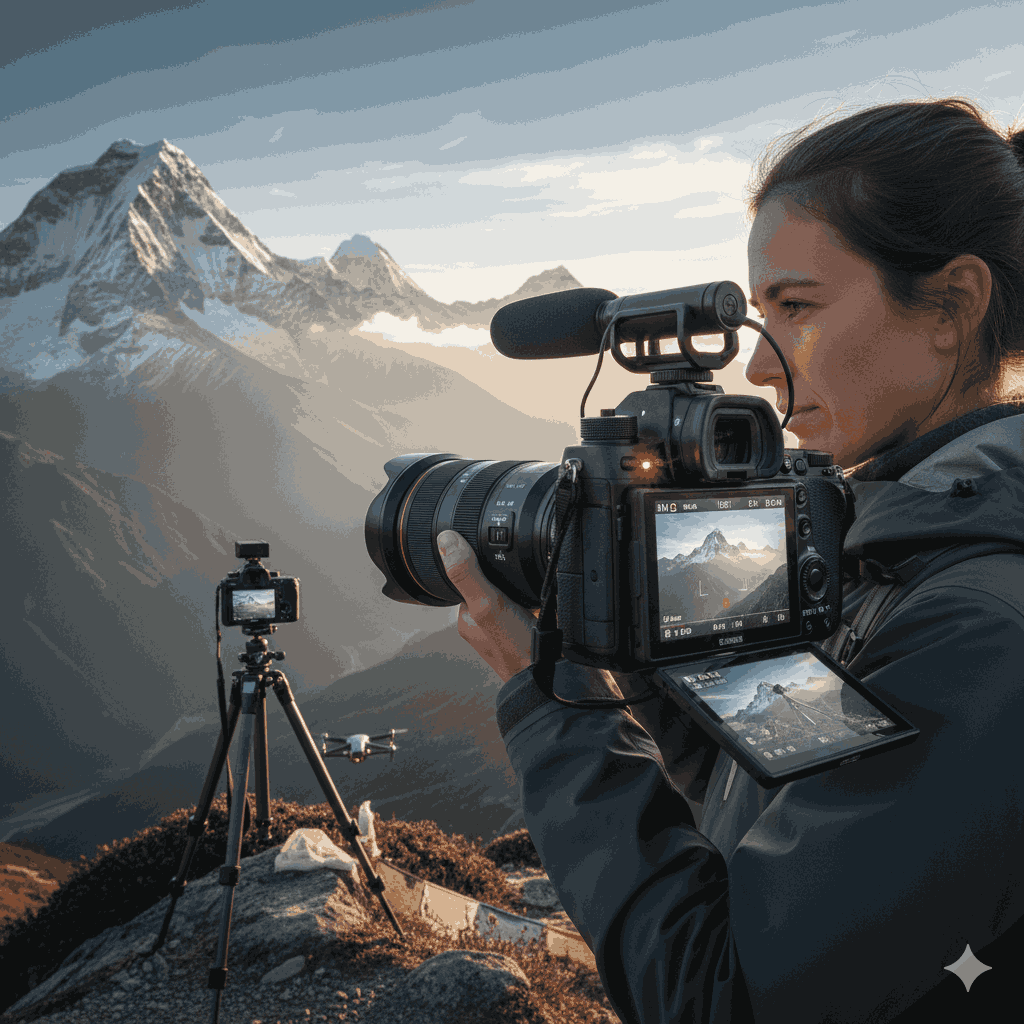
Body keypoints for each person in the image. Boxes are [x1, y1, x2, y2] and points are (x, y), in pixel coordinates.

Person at [437, 97, 1024, 1024]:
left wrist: (554, 703)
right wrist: (651, 656)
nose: (759, 368)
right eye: (761, 314)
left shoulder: (977, 626)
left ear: (950, 307)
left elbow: (724, 998)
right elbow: (779, 806)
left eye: (797, 307)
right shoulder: (902, 545)